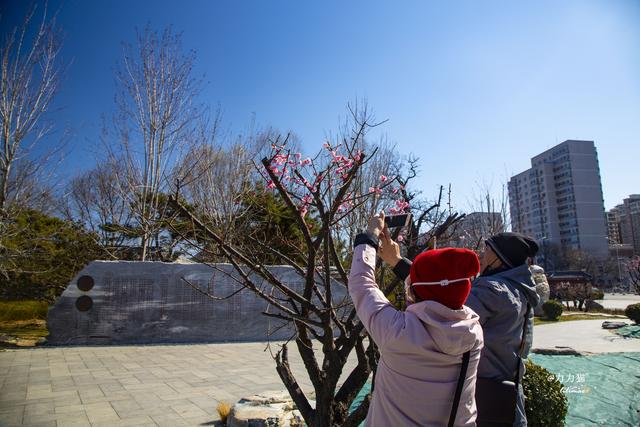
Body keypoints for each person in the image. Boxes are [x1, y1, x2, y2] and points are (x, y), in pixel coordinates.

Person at [380, 230, 540, 427]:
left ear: (499, 258)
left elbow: (443, 305)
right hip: (507, 396)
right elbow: (443, 292)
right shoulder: (519, 289)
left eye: (486, 250)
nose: (481, 254)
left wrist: (396, 261)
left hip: (482, 399)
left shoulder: (492, 290)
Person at [348, 212, 484, 426]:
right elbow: (440, 289)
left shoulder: (397, 331)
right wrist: (398, 262)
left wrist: (370, 236)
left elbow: (361, 284)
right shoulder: (474, 333)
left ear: (414, 290)